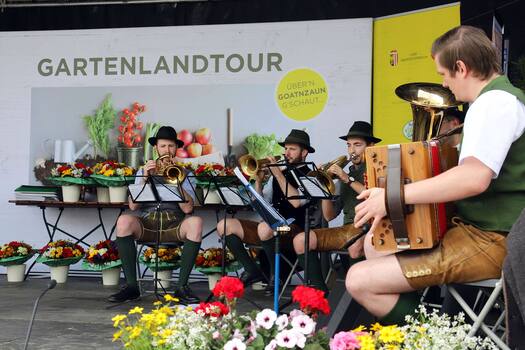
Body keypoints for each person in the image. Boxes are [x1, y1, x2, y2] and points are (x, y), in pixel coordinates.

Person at [346, 25, 525, 324]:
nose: (444, 83)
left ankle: (435, 338)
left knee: (358, 280)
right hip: (481, 229)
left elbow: (473, 178)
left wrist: (392, 198)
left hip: (492, 240)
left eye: (444, 74)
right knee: (374, 247)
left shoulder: (493, 104)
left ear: (461, 68)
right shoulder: (503, 99)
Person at [216, 129, 320, 294]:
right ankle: (252, 270)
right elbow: (262, 203)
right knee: (225, 225)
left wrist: (278, 174)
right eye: (285, 149)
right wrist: (257, 182)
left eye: (292, 149)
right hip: (272, 227)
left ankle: (276, 276)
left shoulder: (312, 175)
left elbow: (296, 202)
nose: (286, 153)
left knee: (264, 228)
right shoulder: (276, 175)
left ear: (304, 152)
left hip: (294, 230)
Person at [108, 126, 203, 304]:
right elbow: (133, 205)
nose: (167, 150)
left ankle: (182, 287)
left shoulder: (186, 174)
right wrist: (144, 178)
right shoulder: (143, 172)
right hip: (147, 224)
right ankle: (131, 287)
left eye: (171, 146)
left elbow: (188, 210)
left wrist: (178, 182)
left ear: (176, 149)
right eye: (163, 146)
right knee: (123, 221)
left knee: (196, 222)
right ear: (156, 148)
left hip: (174, 224)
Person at [292, 121, 380, 292]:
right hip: (348, 228)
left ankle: (359, 294)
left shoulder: (377, 168)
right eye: (349, 145)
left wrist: (347, 179)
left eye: (357, 145)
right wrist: (325, 189)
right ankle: (319, 293)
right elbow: (329, 216)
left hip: (371, 228)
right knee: (300, 240)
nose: (352, 151)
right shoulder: (344, 175)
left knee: (354, 245)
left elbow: (373, 194)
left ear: (370, 146)